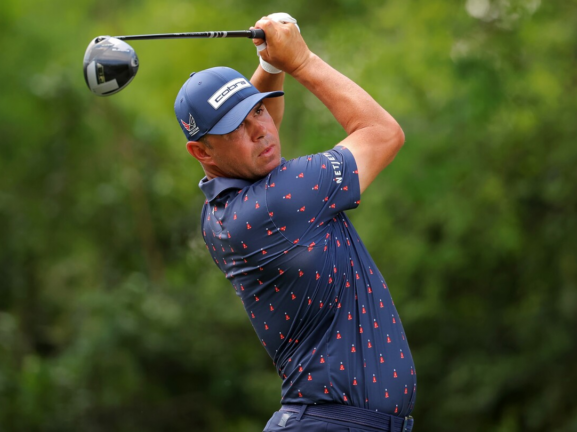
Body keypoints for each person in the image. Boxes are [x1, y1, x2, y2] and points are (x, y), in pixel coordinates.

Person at [175, 13, 415, 432]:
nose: (261, 132)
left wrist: (269, 66)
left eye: (257, 112)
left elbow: (259, 135)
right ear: (203, 153)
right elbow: (383, 132)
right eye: (236, 128)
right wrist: (298, 61)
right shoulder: (285, 197)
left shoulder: (220, 213)